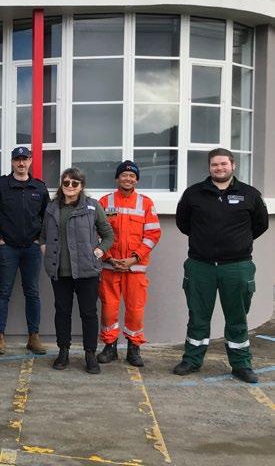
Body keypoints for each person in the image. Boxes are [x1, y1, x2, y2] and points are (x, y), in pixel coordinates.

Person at [173, 148, 268, 384]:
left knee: (237, 318)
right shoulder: (193, 194)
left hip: (237, 267)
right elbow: (183, 223)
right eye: (215, 164)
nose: (219, 168)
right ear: (209, 167)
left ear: (233, 165)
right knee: (198, 316)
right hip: (200, 266)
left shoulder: (250, 194)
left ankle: (241, 365)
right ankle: (192, 360)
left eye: (224, 164)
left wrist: (237, 243)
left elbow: (261, 225)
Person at [40, 168, 114, 374]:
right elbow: (43, 234)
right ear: (61, 185)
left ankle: (90, 354)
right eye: (66, 183)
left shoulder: (92, 206)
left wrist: (98, 251)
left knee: (88, 313)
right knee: (62, 312)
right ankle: (63, 351)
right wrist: (45, 249)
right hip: (59, 272)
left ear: (82, 186)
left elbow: (108, 234)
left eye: (75, 183)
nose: (70, 186)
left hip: (86, 271)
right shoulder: (52, 207)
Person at [0, 147, 49, 356]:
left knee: (33, 292)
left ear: (30, 161)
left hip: (31, 248)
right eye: (17, 159)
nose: (21, 163)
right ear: (12, 162)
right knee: (3, 292)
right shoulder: (1, 185)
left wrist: (39, 239)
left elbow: (47, 216)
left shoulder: (39, 187)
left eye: (25, 159)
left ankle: (34, 337)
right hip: (7, 248)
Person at [96, 160, 161, 367]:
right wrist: (108, 257)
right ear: (117, 178)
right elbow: (96, 233)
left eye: (132, 176)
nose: (128, 178)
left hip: (135, 269)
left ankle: (134, 348)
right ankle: (110, 347)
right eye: (124, 175)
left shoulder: (145, 203)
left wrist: (134, 258)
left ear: (137, 180)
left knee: (135, 310)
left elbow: (153, 234)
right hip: (110, 267)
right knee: (109, 309)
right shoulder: (105, 202)